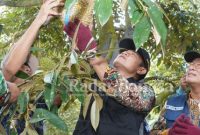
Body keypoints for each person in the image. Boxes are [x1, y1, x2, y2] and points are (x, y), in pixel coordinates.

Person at [64, 19, 155, 135]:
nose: (125, 52)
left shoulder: (147, 92)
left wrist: (90, 48)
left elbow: (123, 89)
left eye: (132, 53)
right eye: (123, 51)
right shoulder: (92, 78)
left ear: (141, 69)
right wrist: (76, 49)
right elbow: (65, 82)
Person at [0, 0, 64, 134]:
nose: (24, 67)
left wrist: (56, 79)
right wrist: (39, 20)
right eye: (21, 63)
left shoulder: (37, 100)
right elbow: (9, 68)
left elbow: (57, 100)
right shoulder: (4, 88)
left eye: (26, 65)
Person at [151, 51, 200, 135]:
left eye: (199, 65)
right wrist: (168, 132)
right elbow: (153, 132)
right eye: (191, 64)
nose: (191, 67)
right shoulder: (171, 102)